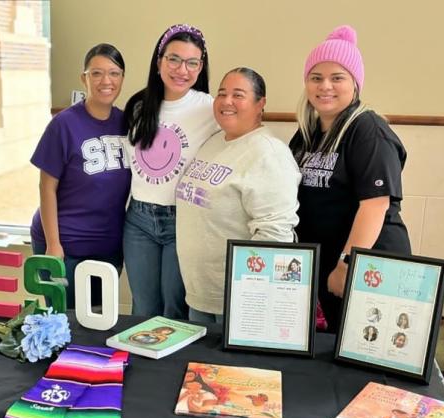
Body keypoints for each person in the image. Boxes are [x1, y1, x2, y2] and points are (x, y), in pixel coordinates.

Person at [290, 26, 411, 333]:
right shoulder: (308, 134)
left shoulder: (368, 130)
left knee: (367, 359)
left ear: (355, 84)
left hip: (368, 265)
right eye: (316, 77)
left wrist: (347, 264)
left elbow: (374, 206)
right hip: (330, 266)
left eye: (337, 77)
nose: (325, 86)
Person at [176, 68, 300, 323]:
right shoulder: (213, 142)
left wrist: (248, 295)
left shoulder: (268, 154)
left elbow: (275, 236)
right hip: (199, 296)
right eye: (221, 94)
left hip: (236, 303)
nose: (227, 101)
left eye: (238, 95)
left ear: (260, 103)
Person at [123, 24, 218, 319]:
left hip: (183, 222)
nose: (182, 70)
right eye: (174, 59)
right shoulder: (138, 106)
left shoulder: (210, 108)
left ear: (201, 67)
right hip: (138, 221)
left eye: (192, 62)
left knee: (174, 311)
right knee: (143, 309)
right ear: (159, 61)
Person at [29, 44, 131, 309]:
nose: (106, 81)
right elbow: (46, 187)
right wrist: (54, 245)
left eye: (114, 73)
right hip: (65, 246)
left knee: (98, 325)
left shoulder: (127, 125)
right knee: (64, 327)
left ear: (122, 78)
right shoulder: (64, 124)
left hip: (108, 249)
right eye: (96, 73)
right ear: (84, 78)